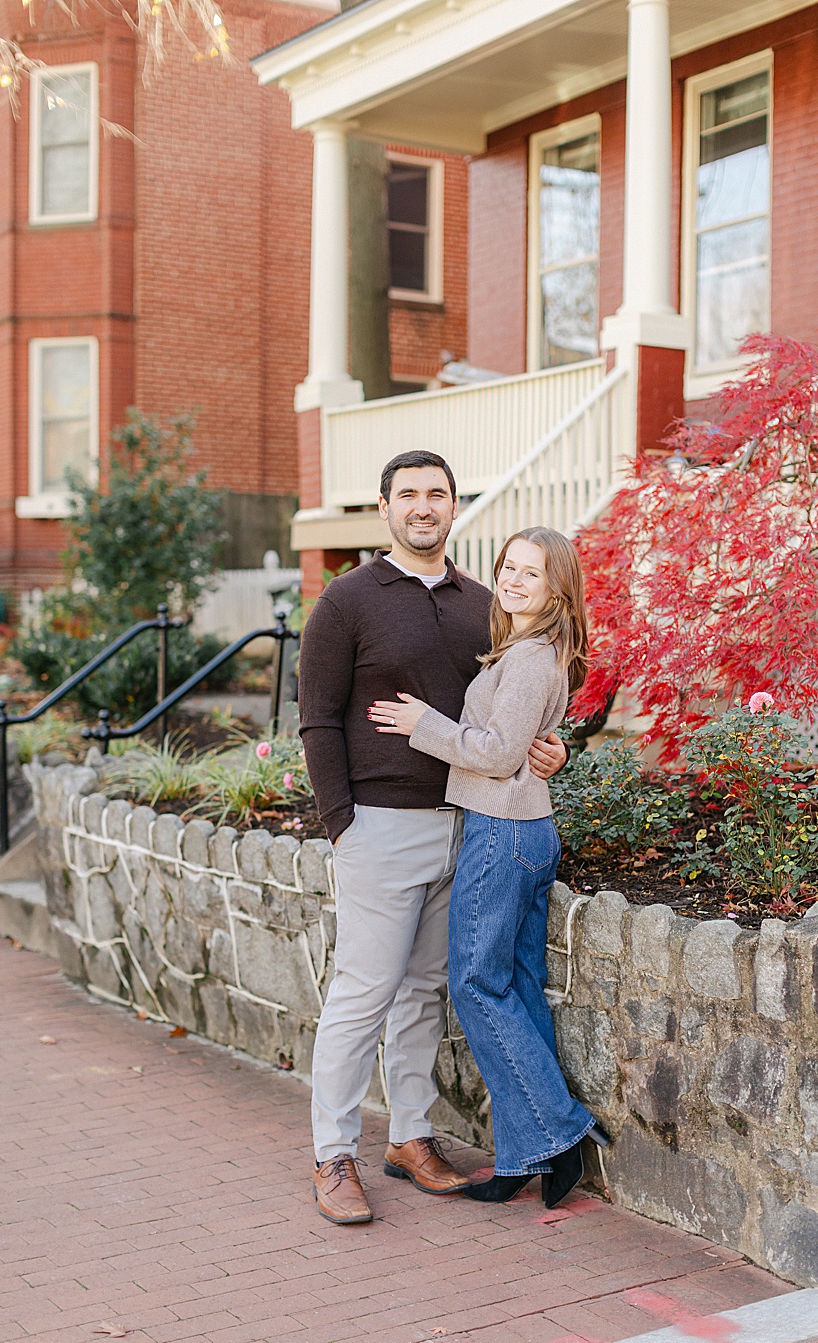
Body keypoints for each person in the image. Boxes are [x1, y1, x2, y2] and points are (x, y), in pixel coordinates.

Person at [300, 451, 570, 1226]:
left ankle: (411, 1136)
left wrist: (555, 746)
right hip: (379, 827)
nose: (424, 506)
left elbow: (512, 709)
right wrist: (341, 823)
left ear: (455, 507)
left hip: (471, 825)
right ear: (384, 506)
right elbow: (318, 718)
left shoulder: (484, 601)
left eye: (438, 494)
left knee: (423, 990)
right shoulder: (346, 601)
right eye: (409, 494)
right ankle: (333, 1150)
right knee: (363, 990)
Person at [367, 526, 601, 1209]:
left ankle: (558, 1132)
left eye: (533, 572)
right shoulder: (531, 650)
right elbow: (522, 744)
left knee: (474, 983)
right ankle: (533, 1153)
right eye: (509, 567)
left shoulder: (530, 658)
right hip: (525, 829)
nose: (515, 579)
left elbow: (498, 754)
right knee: (518, 986)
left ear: (559, 587)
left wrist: (423, 724)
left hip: (503, 831)